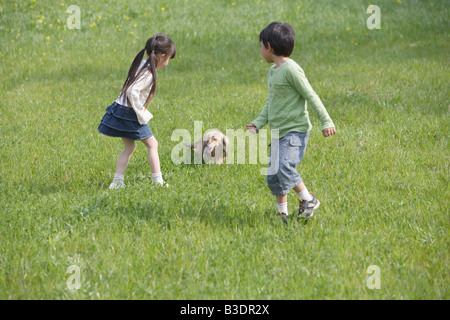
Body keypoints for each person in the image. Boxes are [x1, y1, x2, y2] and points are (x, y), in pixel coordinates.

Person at [246, 22, 336, 223]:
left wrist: (326, 121)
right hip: (278, 133)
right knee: (273, 175)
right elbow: (271, 101)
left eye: (261, 45)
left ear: (268, 47)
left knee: (283, 167)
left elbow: (311, 95)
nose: (260, 49)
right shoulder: (273, 72)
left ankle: (308, 199)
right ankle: (282, 214)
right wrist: (258, 122)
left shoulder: (292, 70)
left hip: (295, 132)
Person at [98, 34, 176, 189]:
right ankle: (158, 182)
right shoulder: (148, 74)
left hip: (119, 109)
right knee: (153, 144)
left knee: (129, 147)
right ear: (161, 57)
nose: (167, 63)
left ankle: (117, 182)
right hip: (129, 114)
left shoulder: (142, 64)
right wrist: (140, 112)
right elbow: (132, 91)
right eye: (168, 59)